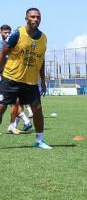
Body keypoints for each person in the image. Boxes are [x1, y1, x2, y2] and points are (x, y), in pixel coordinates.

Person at [0, 8, 51, 149]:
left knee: (38, 109)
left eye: (38, 17)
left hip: (30, 81)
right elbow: (4, 50)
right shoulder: (18, 32)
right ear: (26, 18)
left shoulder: (43, 38)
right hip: (10, 77)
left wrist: (43, 80)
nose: (35, 19)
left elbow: (42, 60)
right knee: (1, 107)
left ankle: (40, 140)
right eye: (32, 17)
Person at [2, 24, 32, 134]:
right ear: (1, 33)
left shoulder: (13, 44)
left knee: (15, 102)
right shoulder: (2, 45)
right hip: (3, 77)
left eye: (8, 32)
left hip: (11, 78)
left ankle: (14, 124)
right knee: (4, 105)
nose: (7, 34)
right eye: (5, 32)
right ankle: (25, 121)